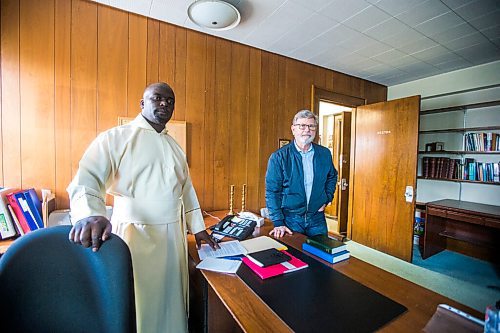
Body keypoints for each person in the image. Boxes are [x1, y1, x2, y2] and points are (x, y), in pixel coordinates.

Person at [67, 82, 218, 333]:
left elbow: (186, 191)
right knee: (140, 303)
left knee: (171, 302)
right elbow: (87, 179)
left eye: (170, 101)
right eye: (157, 98)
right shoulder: (116, 138)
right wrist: (90, 214)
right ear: (142, 103)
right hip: (135, 236)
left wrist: (199, 229)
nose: (164, 104)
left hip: (173, 239)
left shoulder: (175, 147)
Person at [265, 109, 338, 238]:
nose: (307, 130)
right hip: (290, 220)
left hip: (317, 218)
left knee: (320, 256)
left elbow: (332, 176)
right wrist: (277, 222)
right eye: (302, 126)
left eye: (311, 126)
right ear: (293, 129)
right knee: (294, 256)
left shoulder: (324, 154)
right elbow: (272, 191)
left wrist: (327, 198)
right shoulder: (279, 157)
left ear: (315, 130)